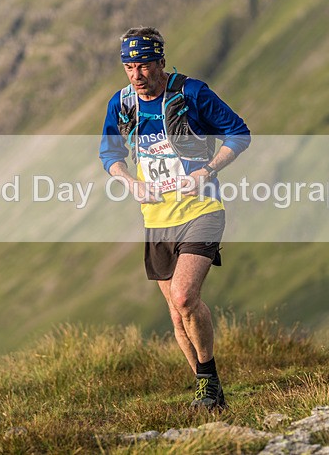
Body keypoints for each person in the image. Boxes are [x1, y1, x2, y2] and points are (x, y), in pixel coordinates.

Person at [99, 26, 250, 410]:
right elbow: (110, 153)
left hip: (202, 210)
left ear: (161, 62)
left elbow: (239, 133)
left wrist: (207, 170)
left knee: (185, 296)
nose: (137, 75)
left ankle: (208, 379)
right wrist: (129, 181)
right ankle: (208, 390)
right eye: (130, 66)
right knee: (176, 313)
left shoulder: (191, 93)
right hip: (156, 218)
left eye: (145, 65)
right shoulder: (121, 103)